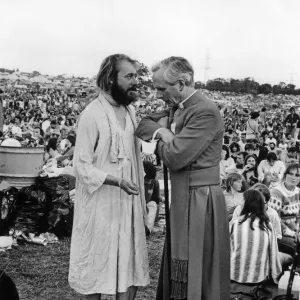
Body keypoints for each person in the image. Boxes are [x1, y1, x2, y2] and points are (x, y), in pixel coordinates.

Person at [135, 56, 230, 300]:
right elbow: (143, 124)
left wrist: (158, 144)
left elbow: (176, 157)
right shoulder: (177, 107)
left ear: (181, 83)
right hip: (183, 195)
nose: (158, 95)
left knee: (199, 261)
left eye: (161, 89)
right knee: (182, 259)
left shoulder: (205, 111)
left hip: (200, 199)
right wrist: (162, 132)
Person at [68, 54, 149, 300]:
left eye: (136, 75)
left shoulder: (131, 111)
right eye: (129, 76)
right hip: (100, 206)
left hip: (128, 203)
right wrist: (116, 181)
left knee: (129, 260)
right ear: (110, 78)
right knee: (96, 262)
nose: (135, 81)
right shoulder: (91, 115)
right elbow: (81, 166)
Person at [230, 189, 282, 284]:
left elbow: (229, 249)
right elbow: (273, 253)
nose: (240, 203)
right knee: (287, 258)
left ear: (247, 203)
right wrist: (276, 275)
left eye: (242, 200)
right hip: (259, 278)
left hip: (233, 274)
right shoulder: (267, 224)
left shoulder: (235, 223)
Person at [268, 163, 300, 257]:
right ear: (285, 175)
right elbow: (275, 220)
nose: (293, 177)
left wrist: (298, 230)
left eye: (297, 175)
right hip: (279, 234)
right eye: (290, 174)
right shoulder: (276, 193)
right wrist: (293, 234)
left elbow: (298, 216)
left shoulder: (298, 191)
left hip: (294, 231)